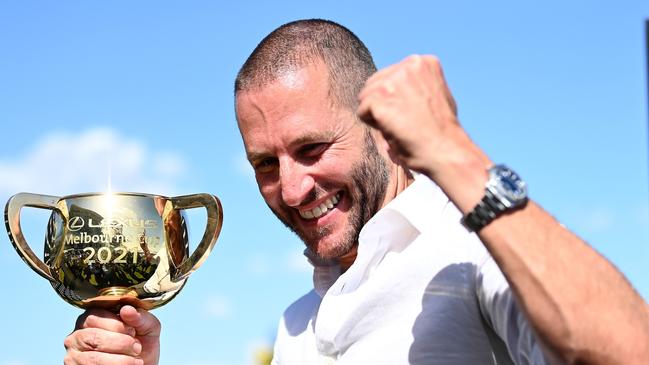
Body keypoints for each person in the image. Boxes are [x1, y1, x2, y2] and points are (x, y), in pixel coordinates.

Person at [63, 19, 649, 365]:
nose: (291, 189)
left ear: (379, 128)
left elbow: (627, 351)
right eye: (265, 163)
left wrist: (455, 154)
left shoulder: (470, 253)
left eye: (313, 149)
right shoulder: (299, 325)